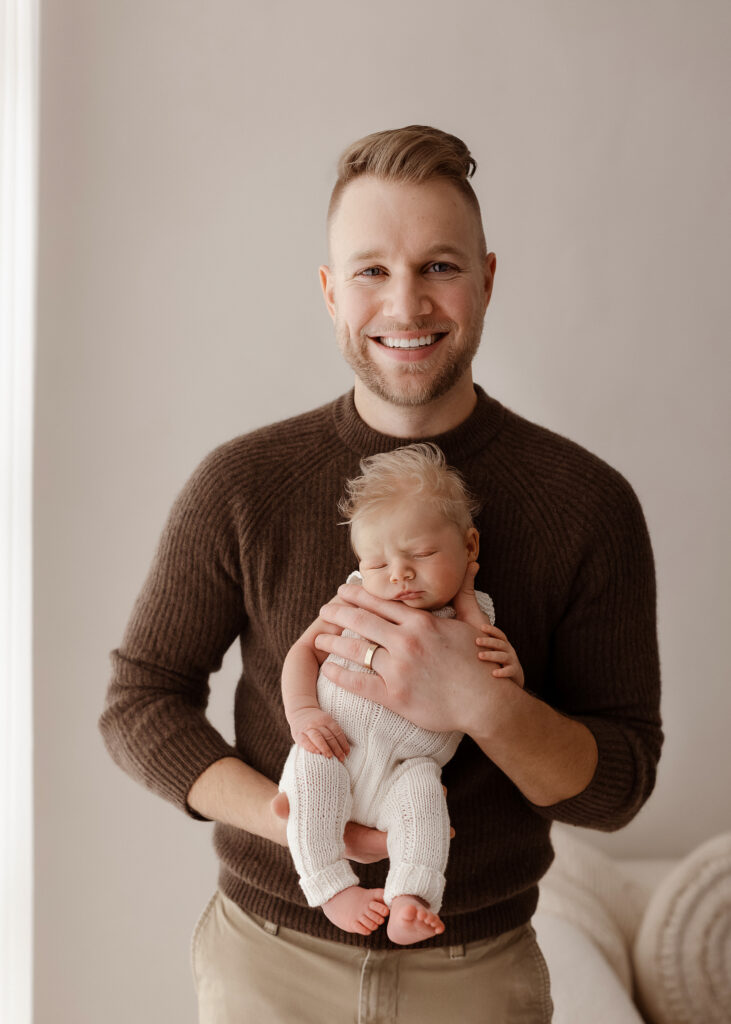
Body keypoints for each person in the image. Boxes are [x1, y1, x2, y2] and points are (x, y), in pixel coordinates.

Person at [99, 124, 662, 1023]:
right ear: (330, 293)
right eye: (370, 271)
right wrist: (299, 818)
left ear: (485, 278)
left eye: (439, 266)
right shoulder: (241, 484)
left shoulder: (585, 503)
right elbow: (139, 702)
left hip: (477, 974)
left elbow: (618, 783)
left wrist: (477, 702)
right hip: (266, 962)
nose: (406, 305)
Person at [277, 442, 522, 945]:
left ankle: (412, 898)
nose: (399, 575)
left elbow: (502, 696)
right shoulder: (355, 600)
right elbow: (301, 654)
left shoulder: (477, 619)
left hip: (409, 766)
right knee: (312, 777)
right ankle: (331, 888)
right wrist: (303, 714)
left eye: (422, 554)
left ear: (469, 547)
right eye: (377, 563)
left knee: (425, 804)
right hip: (334, 743)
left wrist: (504, 660)